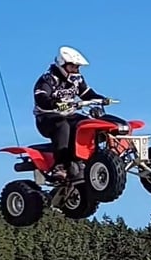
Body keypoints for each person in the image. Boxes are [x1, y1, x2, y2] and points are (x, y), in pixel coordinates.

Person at [33, 46, 111, 180]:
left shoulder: (77, 79)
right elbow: (41, 97)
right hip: (47, 117)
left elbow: (86, 93)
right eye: (72, 67)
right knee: (62, 125)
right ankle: (60, 166)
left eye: (77, 67)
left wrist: (101, 99)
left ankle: (91, 158)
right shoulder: (48, 79)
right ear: (62, 65)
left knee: (88, 124)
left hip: (70, 115)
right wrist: (54, 103)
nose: (75, 70)